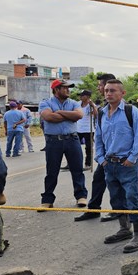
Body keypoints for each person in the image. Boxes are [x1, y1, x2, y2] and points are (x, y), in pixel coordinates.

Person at [95, 79, 138, 253]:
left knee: (132, 196)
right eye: (107, 90)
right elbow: (98, 138)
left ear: (122, 93)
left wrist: (132, 158)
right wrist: (101, 158)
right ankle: (124, 229)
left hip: (127, 164)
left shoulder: (130, 111)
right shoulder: (102, 113)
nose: (108, 93)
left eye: (113, 91)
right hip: (109, 164)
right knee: (116, 198)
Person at [75, 73, 121, 222]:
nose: (99, 88)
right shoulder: (104, 108)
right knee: (99, 179)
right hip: (106, 154)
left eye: (100, 85)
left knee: (117, 184)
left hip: (119, 154)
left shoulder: (123, 108)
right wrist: (100, 155)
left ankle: (119, 212)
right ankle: (94, 209)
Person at [38, 79, 89, 210]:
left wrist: (59, 113)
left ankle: (81, 196)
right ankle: (47, 199)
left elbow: (79, 115)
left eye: (68, 88)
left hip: (72, 139)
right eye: (65, 88)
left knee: (77, 169)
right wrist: (69, 116)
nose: (68, 90)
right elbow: (49, 117)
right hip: (53, 141)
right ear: (56, 89)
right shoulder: (45, 102)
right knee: (52, 171)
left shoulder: (73, 103)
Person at [76, 90, 97, 168]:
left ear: (87, 96)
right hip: (78, 128)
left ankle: (88, 164)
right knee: (74, 146)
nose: (80, 97)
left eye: (82, 95)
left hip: (88, 129)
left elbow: (96, 115)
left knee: (88, 147)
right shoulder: (77, 104)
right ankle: (72, 163)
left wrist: (93, 106)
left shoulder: (90, 105)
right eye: (80, 95)